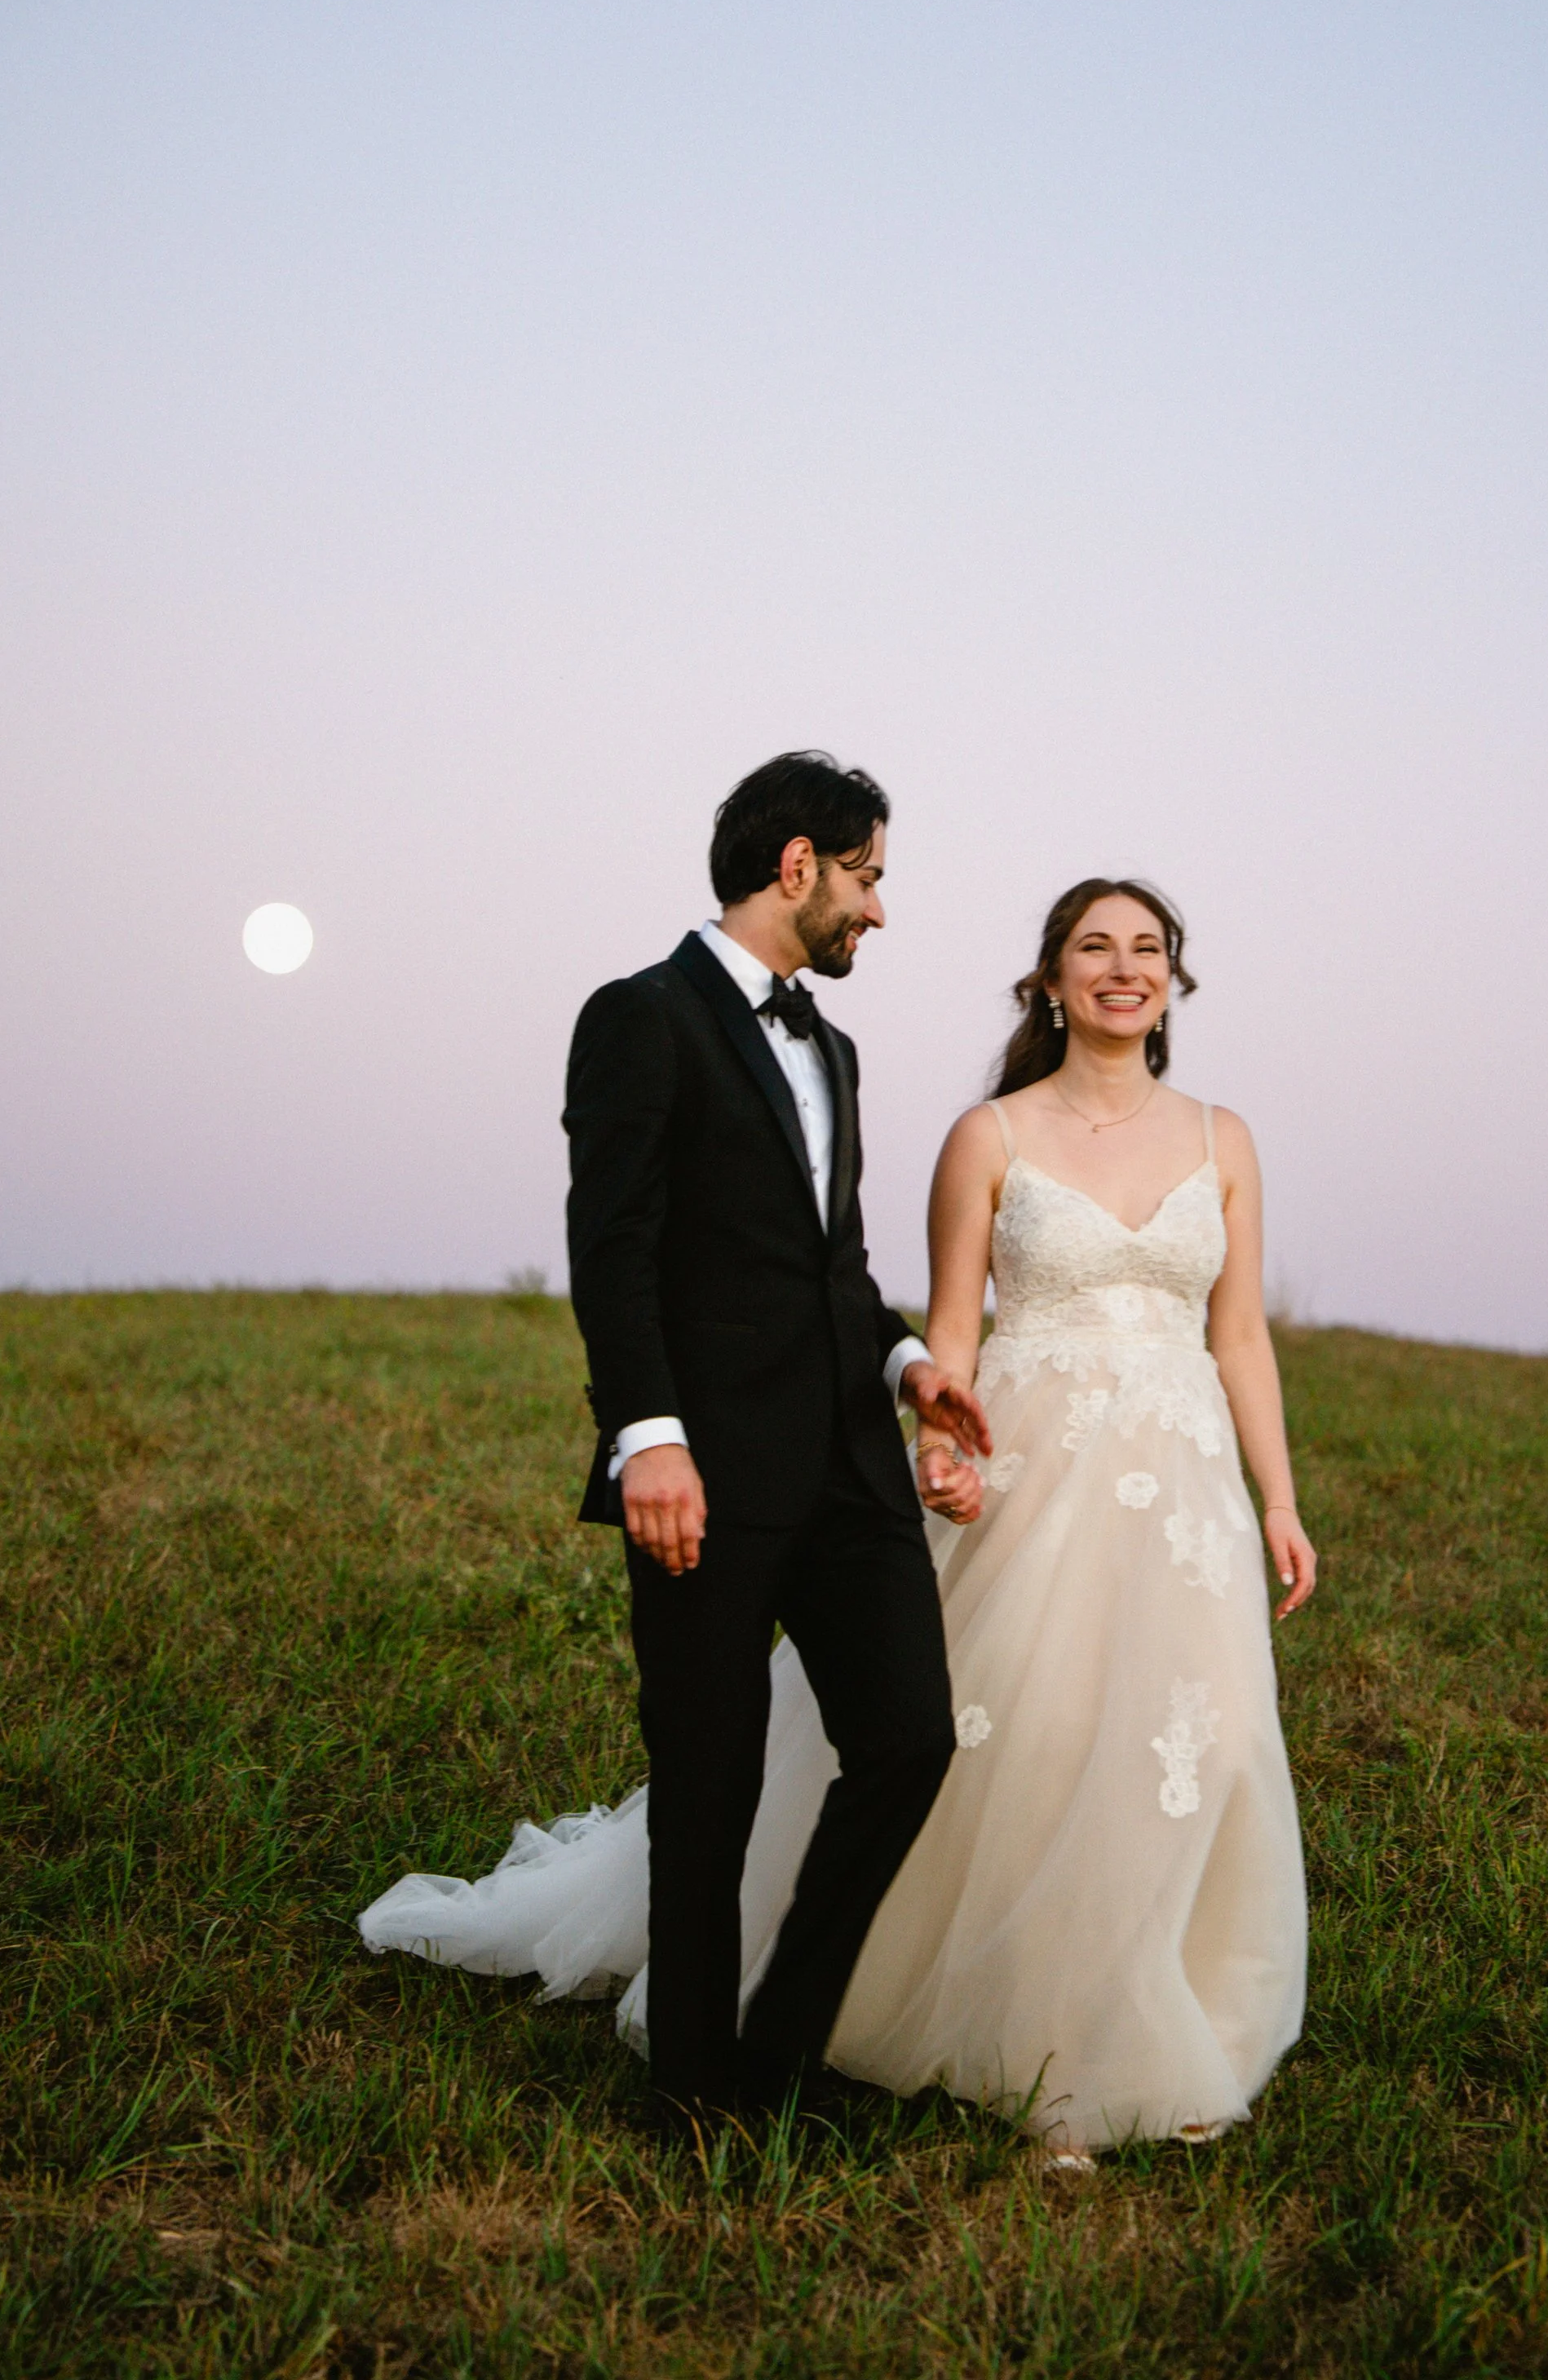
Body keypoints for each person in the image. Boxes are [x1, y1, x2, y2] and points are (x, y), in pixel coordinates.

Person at [361, 870, 1314, 2168]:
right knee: (1005, 1745)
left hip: (1184, 1486)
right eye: (1094, 945)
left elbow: (1239, 1331)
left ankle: (1122, 2041)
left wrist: (1280, 1497)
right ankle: (851, 2038)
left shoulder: (1225, 1137)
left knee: (1172, 1750)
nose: (1123, 967)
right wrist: (936, 1424)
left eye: (1148, 948)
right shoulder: (989, 1132)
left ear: (1175, 978)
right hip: (1024, 1470)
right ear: (1049, 977)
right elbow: (947, 1320)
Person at [360, 752, 989, 2130]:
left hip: (849, 1466)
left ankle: (784, 2044)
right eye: (870, 878)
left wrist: (905, 1362)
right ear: (798, 864)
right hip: (703, 1472)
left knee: (909, 1741)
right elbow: (616, 1245)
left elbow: (833, 1262)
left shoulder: (836, 1048)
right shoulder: (639, 1017)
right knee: (709, 1776)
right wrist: (648, 1439)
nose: (878, 912)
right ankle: (696, 2090)